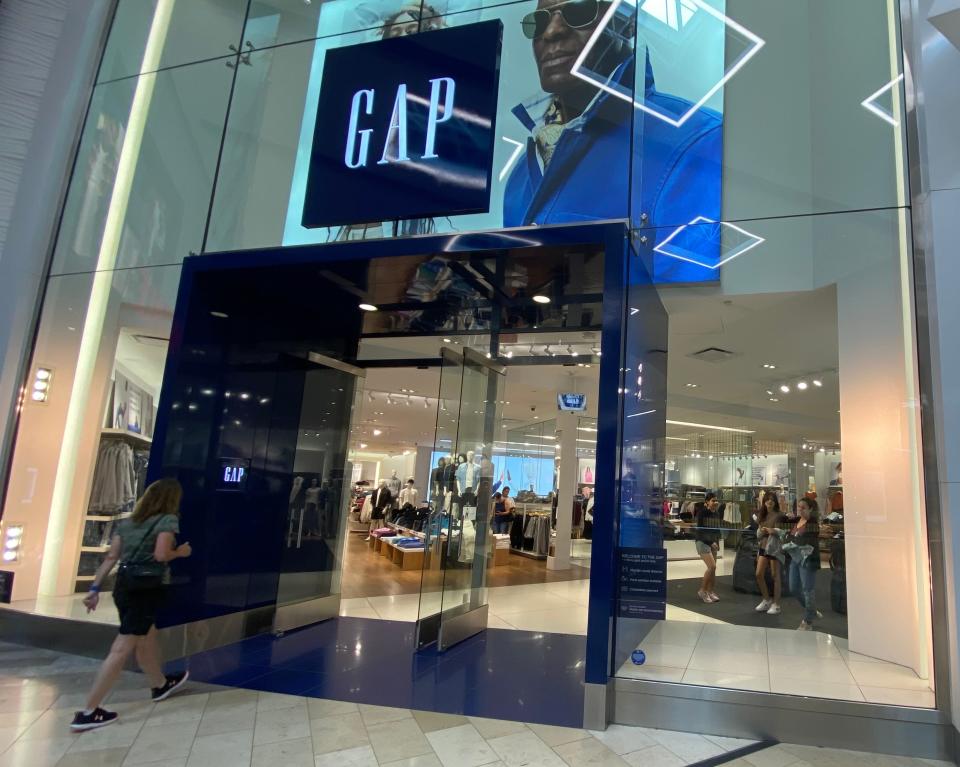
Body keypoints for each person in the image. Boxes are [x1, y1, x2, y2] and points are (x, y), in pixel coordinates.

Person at [505, 0, 722, 283]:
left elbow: (687, 308)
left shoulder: (697, 142)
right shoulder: (520, 175)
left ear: (626, 22)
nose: (552, 32)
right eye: (538, 21)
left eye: (579, 11)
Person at [70, 478, 192, 731]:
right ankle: (89, 710)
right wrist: (180, 552)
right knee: (123, 646)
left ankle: (159, 684)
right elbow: (161, 555)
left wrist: (93, 589)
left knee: (145, 637)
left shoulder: (127, 524)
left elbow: (111, 558)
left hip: (123, 586)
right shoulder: (167, 520)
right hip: (146, 588)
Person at [784, 497, 822, 631]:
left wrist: (792, 540)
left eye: (803, 507)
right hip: (796, 559)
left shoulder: (813, 524)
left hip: (808, 560)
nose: (800, 509)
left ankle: (808, 620)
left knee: (807, 589)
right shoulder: (796, 521)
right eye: (799, 507)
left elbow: (807, 542)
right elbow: (789, 536)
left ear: (811, 509)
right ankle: (811, 610)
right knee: (793, 588)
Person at [755, 491, 785, 615]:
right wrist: (761, 531)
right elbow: (758, 533)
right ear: (764, 501)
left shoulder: (779, 515)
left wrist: (772, 530)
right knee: (758, 574)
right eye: (768, 499)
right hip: (763, 546)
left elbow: (783, 532)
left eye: (772, 499)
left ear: (775, 501)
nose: (770, 501)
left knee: (775, 575)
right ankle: (767, 599)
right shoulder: (762, 515)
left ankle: (776, 604)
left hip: (774, 547)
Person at [694, 493, 722, 603]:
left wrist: (717, 542)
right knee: (712, 567)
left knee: (713, 570)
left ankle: (710, 591)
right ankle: (702, 591)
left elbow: (717, 530)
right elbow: (701, 530)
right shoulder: (702, 513)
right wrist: (711, 542)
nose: (715, 502)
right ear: (707, 502)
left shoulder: (717, 513)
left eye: (716, 500)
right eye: (713, 500)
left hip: (713, 543)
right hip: (702, 542)